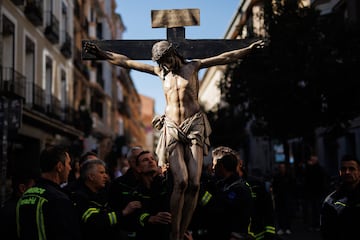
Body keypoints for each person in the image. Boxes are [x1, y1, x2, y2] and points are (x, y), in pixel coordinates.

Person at [85, 38, 264, 240]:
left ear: (173, 54)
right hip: (172, 126)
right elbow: (127, 62)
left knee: (194, 184)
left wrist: (248, 49)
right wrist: (101, 54)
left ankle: (181, 229)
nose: (163, 65)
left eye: (165, 60)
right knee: (180, 181)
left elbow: (225, 57)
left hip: (193, 125)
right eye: (160, 62)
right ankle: (175, 233)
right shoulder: (160, 72)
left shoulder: (193, 66)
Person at [16, 145, 82, 240]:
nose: (70, 168)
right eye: (68, 164)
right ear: (59, 167)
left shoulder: (26, 195)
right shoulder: (59, 199)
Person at [71, 158, 141, 240]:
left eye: (105, 173)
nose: (106, 176)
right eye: (101, 173)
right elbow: (96, 221)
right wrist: (123, 212)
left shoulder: (103, 193)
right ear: (91, 176)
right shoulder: (80, 197)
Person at [125, 150, 172, 240]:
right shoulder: (135, 192)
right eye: (145, 160)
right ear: (138, 169)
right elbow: (134, 216)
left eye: (152, 159)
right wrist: (150, 218)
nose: (151, 161)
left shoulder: (167, 185)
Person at [320, 154, 360, 240]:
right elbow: (327, 231)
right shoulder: (331, 200)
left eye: (352, 169)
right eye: (343, 169)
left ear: (359, 172)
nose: (347, 172)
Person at [0, 173, 36, 240]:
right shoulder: (22, 210)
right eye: (33, 187)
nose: (37, 191)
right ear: (22, 188)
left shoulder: (6, 207)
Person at [272, 162, 296, 236]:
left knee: (287, 213)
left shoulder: (289, 176)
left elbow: (293, 186)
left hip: (287, 197)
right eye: (281, 167)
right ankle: (282, 228)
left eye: (283, 167)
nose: (282, 169)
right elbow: (274, 186)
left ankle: (288, 228)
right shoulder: (277, 176)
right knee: (280, 213)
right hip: (279, 197)